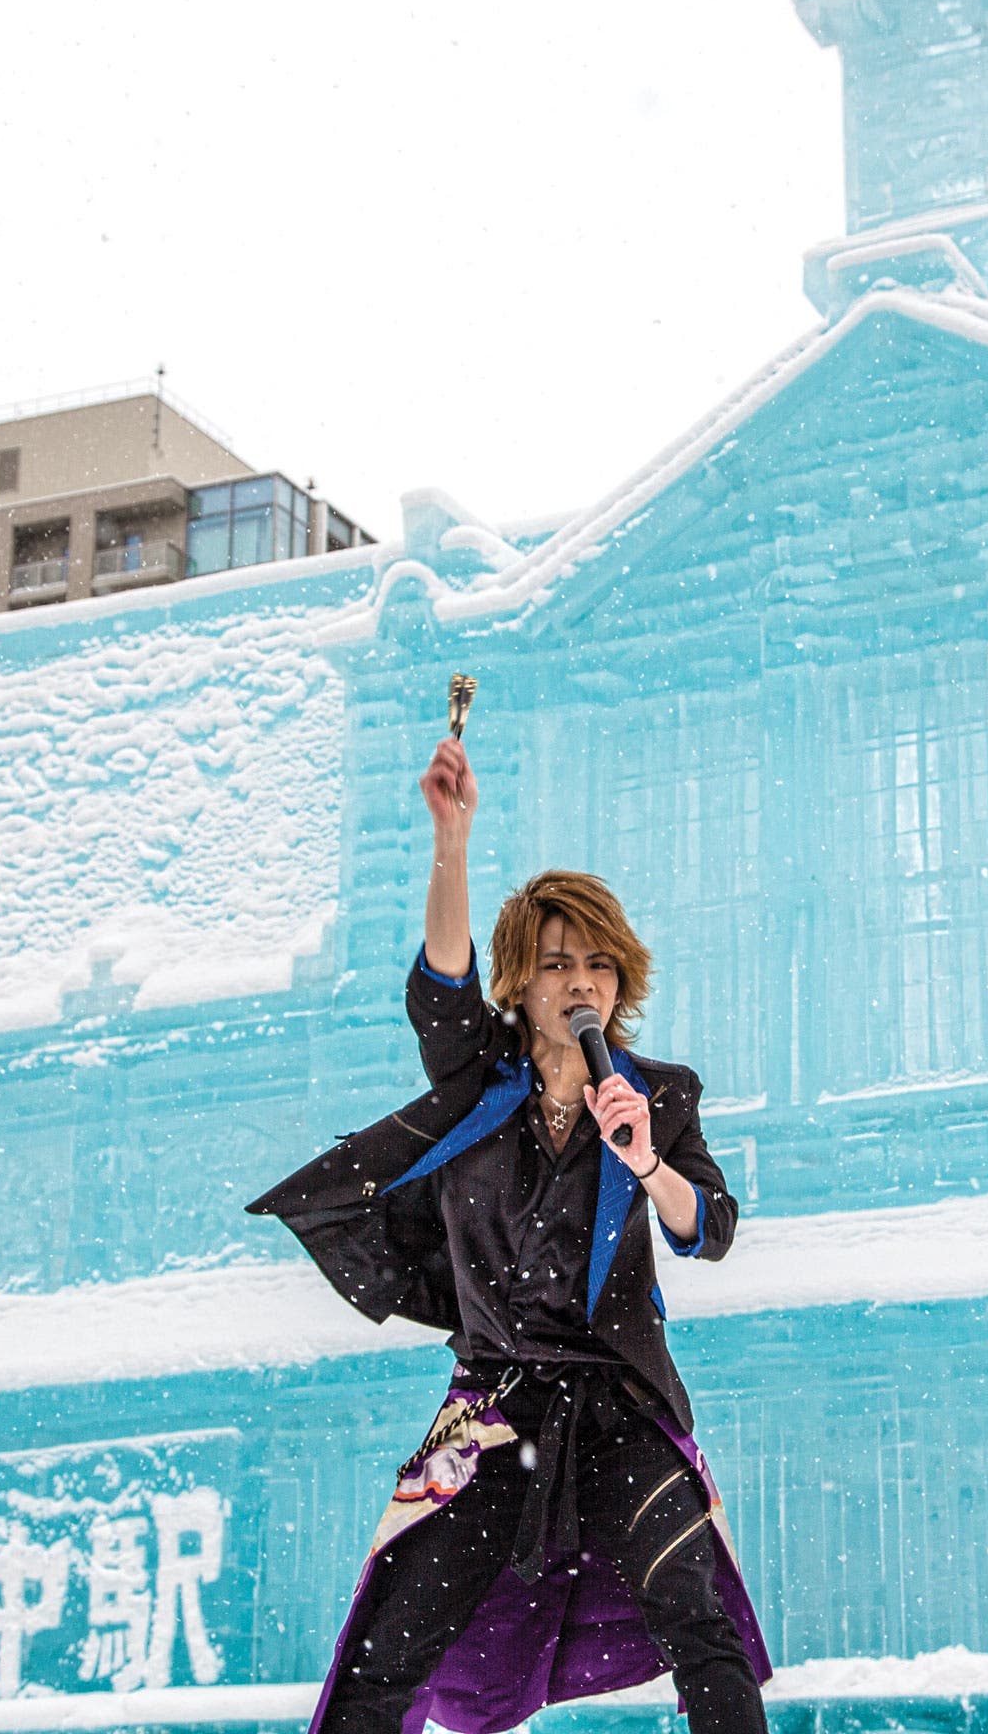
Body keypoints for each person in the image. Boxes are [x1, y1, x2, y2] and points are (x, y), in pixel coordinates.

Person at [248, 734, 769, 1734]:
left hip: (620, 1402)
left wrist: (648, 1161)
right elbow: (438, 985)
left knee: (698, 1620)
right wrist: (453, 838)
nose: (584, 982)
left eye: (600, 964)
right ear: (523, 982)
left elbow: (713, 1228)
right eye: (560, 962)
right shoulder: (477, 1081)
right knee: (385, 1646)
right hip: (490, 1406)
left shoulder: (658, 1097)